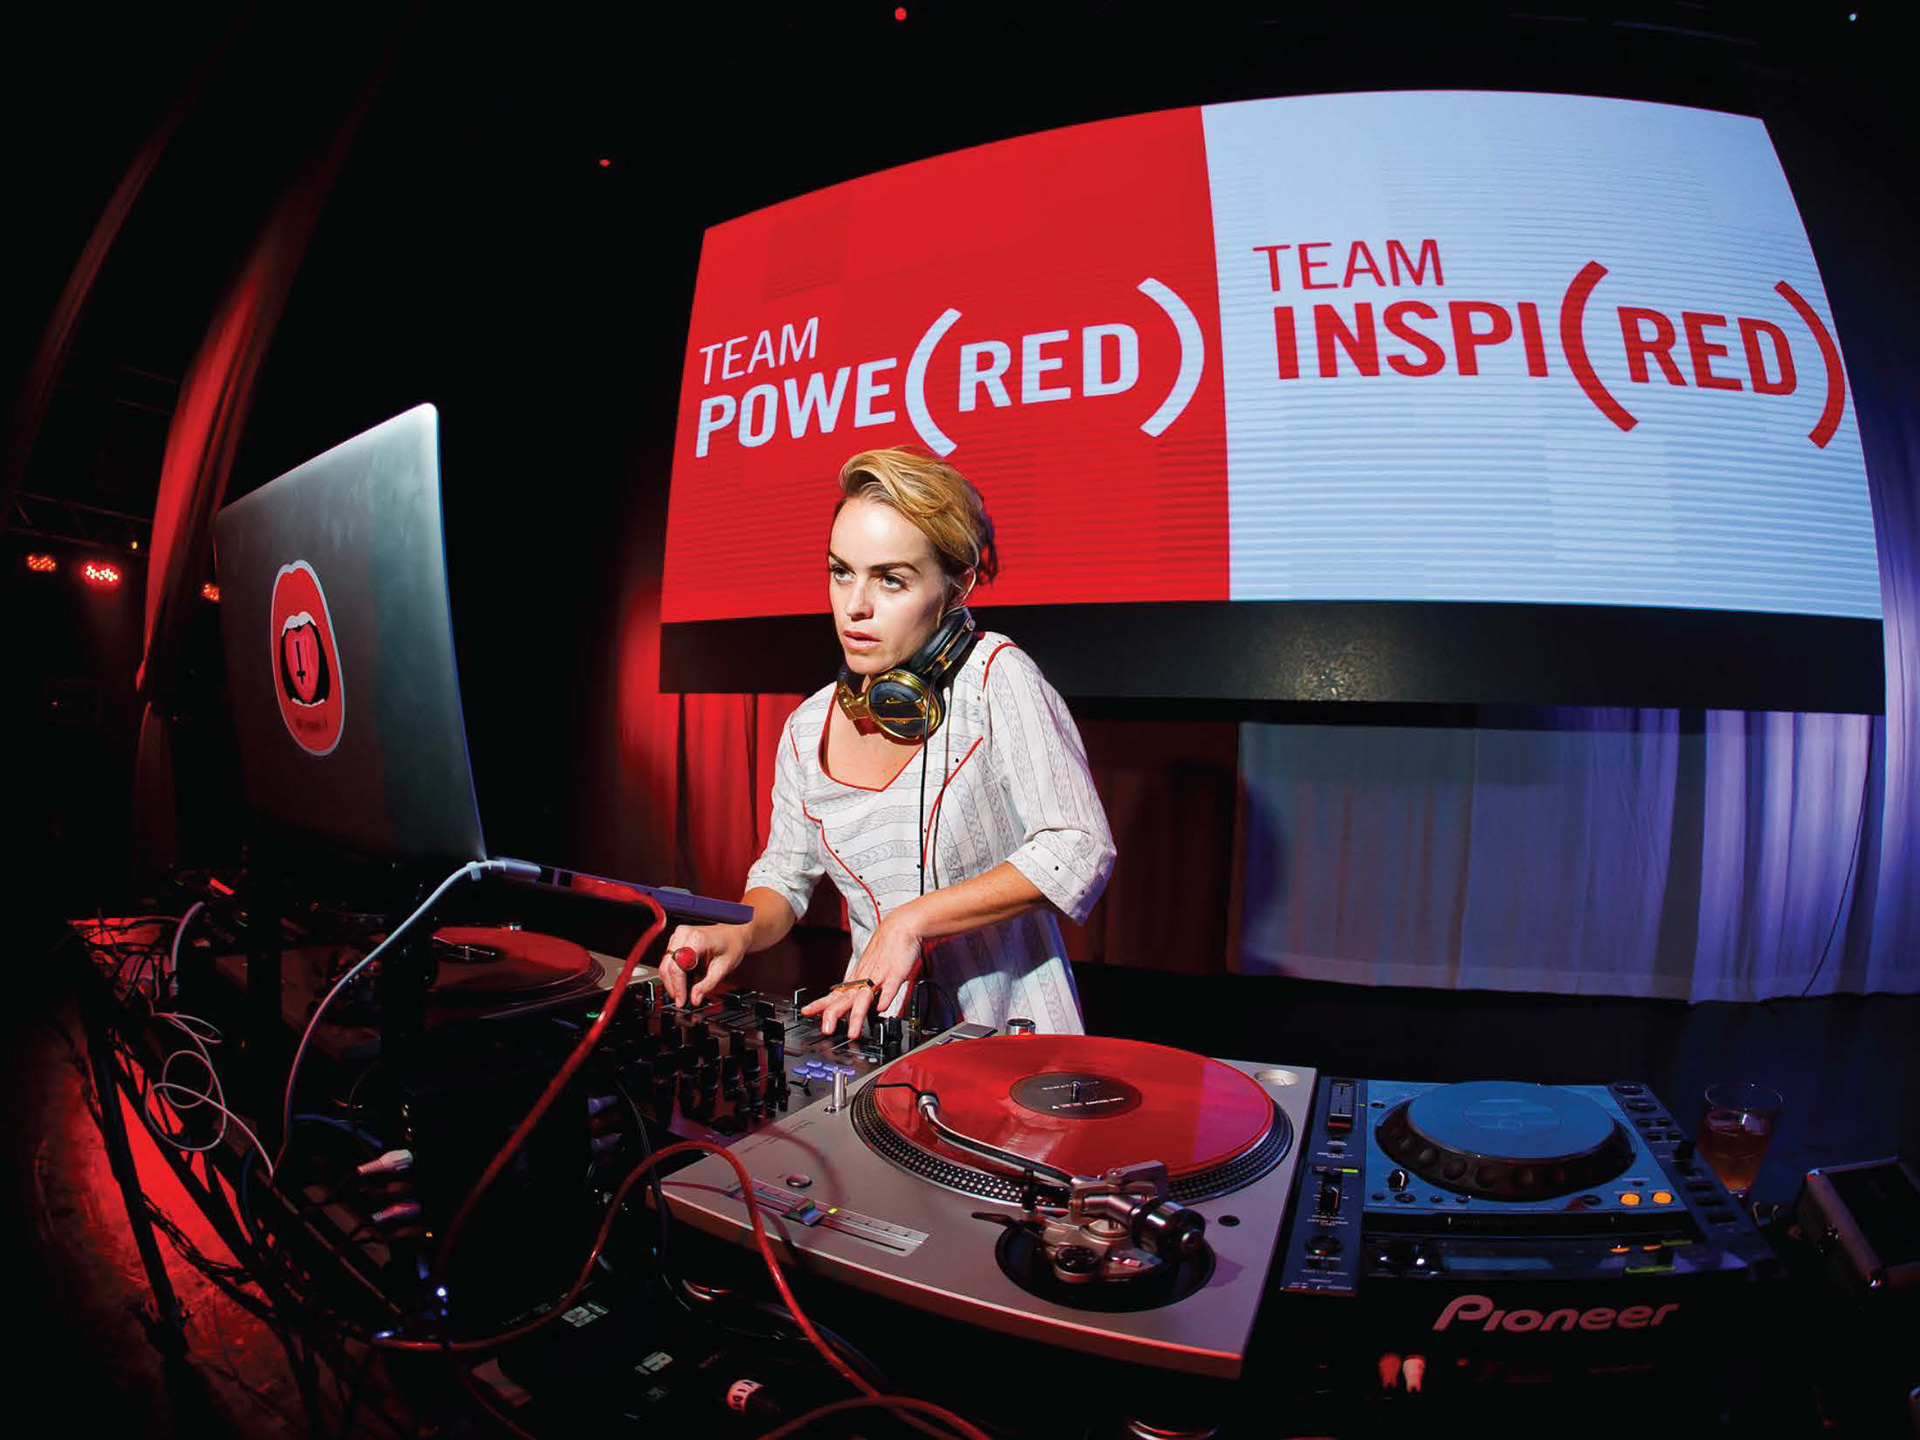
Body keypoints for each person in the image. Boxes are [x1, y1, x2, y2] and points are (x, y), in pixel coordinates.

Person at [657, 446, 1115, 1038]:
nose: (855, 606)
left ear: (957, 586)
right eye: (841, 572)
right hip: (880, 1039)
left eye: (891, 579)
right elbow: (784, 878)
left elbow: (1078, 849)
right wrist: (737, 931)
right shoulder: (806, 728)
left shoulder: (994, 679)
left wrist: (912, 920)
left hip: (1017, 1042)